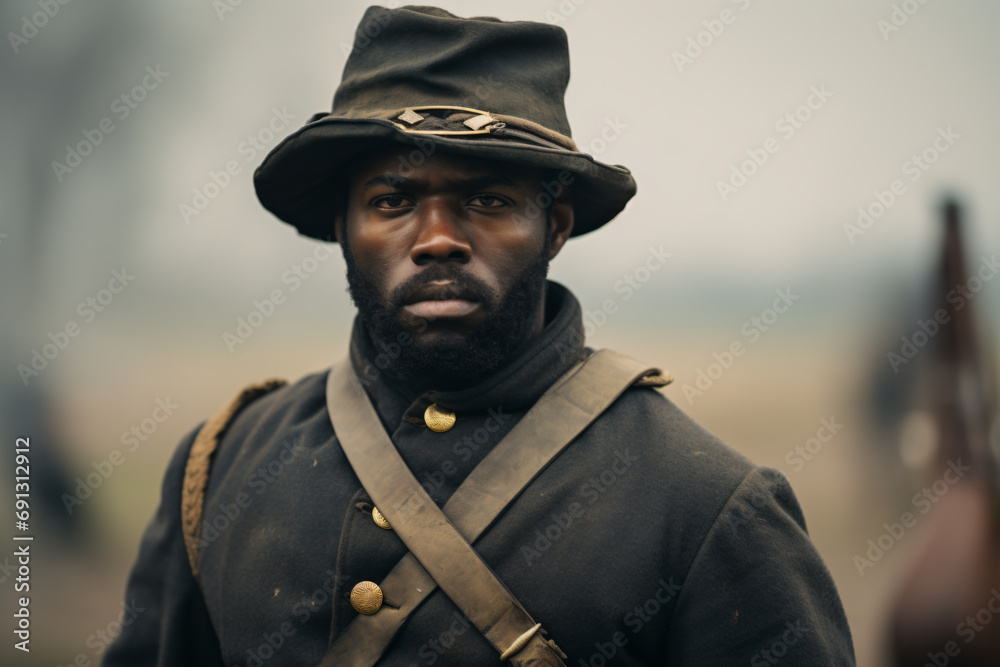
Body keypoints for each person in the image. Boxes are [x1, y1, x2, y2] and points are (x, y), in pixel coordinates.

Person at [104, 5, 856, 666]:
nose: (437, 239)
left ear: (553, 226)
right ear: (342, 224)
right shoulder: (227, 466)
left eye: (489, 199)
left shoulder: (707, 508)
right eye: (393, 199)